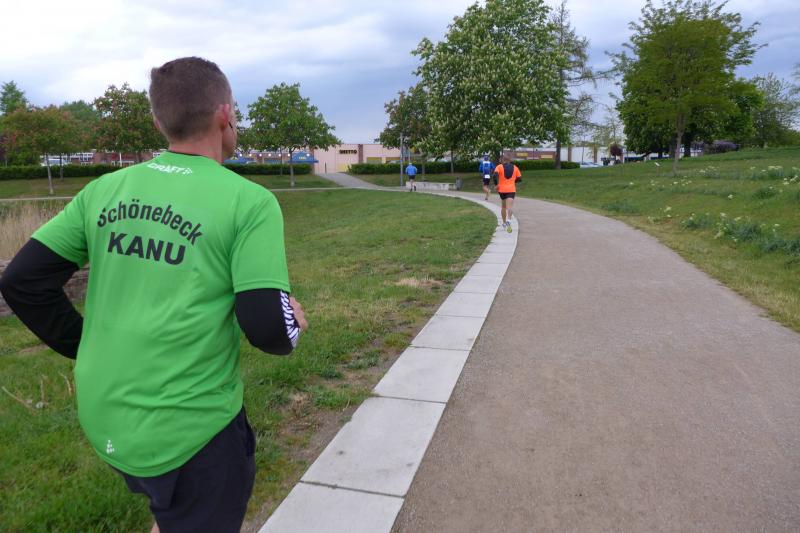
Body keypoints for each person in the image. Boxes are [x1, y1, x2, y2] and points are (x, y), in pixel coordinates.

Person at [0, 56, 308, 533]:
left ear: (159, 123)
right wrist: (293, 324)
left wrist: (85, 344)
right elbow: (269, 330)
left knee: (171, 511)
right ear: (225, 114)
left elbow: (22, 279)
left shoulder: (104, 190)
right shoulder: (249, 202)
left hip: (107, 417)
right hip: (191, 432)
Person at [492, 155, 522, 233]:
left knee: (503, 207)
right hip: (511, 189)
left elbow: (494, 176)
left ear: (502, 160)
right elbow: (519, 179)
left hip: (502, 190)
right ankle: (509, 220)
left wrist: (496, 185)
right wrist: (513, 181)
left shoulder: (499, 167)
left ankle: (504, 223)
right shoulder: (515, 168)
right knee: (509, 207)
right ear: (509, 160)